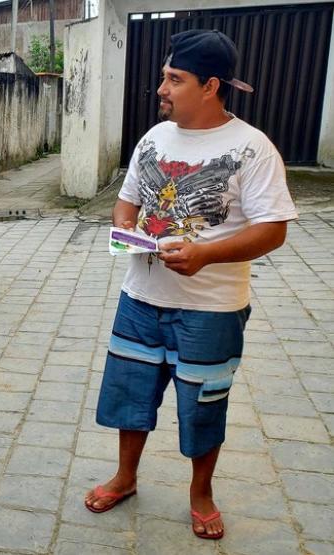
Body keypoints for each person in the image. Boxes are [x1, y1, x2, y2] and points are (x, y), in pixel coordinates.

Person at [85, 29, 297, 541]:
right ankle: (126, 477)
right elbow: (128, 199)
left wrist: (206, 254)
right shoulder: (153, 139)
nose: (162, 88)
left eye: (175, 79)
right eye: (164, 77)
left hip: (212, 309)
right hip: (141, 297)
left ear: (211, 86)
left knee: (204, 404)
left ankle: (200, 494)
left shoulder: (252, 148)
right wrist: (126, 230)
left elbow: (274, 229)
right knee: (130, 395)